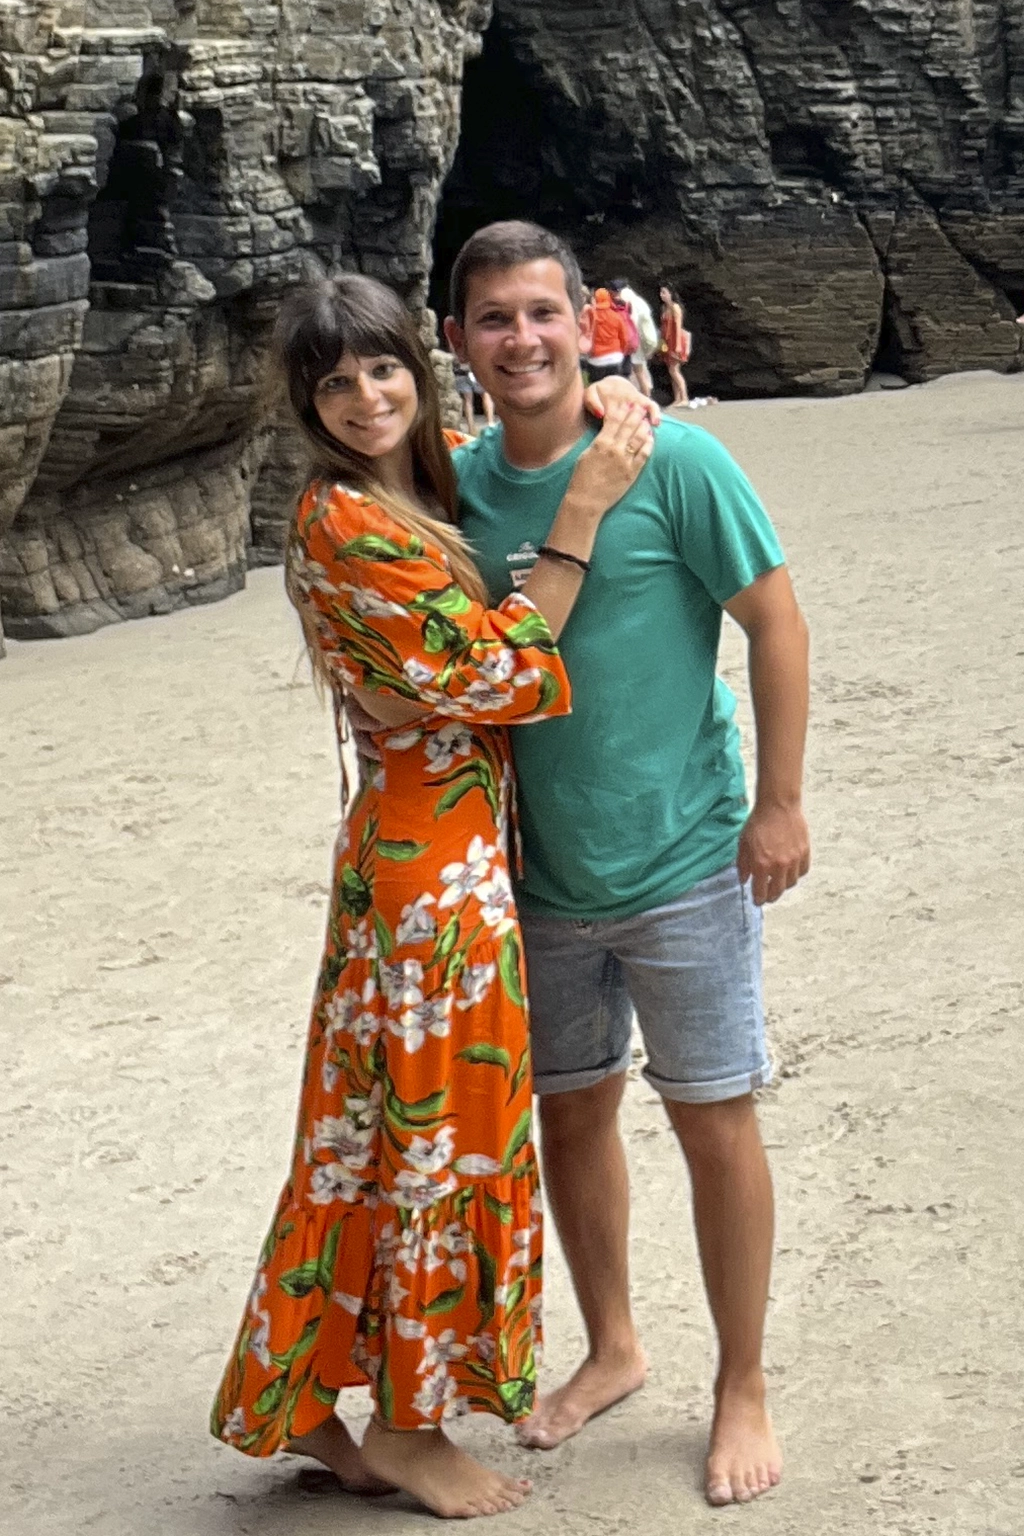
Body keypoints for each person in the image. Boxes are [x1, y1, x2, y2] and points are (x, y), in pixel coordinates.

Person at [209, 272, 653, 1520]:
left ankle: (312, 1403)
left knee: (367, 1137)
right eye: (334, 382)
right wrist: (582, 509)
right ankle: (407, 1426)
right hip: (427, 881)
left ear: (422, 363)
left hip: (427, 853)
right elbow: (502, 675)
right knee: (435, 1140)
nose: (365, 398)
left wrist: (608, 388)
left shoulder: (421, 485)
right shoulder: (346, 521)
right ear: (304, 400)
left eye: (383, 369)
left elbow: (536, 402)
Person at [443, 221, 810, 1507]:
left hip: (686, 858)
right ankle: (611, 1345)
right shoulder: (454, 489)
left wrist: (778, 805)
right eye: (495, 318)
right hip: (535, 876)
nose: (522, 338)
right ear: (459, 342)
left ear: (582, 324)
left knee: (712, 1116)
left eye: (543, 313)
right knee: (574, 1108)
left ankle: (741, 1384)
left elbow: (772, 619)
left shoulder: (677, 458)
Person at [608, 277, 657, 397]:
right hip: (644, 340)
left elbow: (631, 323)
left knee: (638, 372)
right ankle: (646, 398)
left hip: (635, 341)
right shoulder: (639, 301)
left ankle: (647, 399)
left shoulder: (629, 303)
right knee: (639, 372)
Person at [585, 286, 634, 382]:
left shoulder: (590, 316)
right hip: (615, 357)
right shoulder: (616, 316)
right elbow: (624, 337)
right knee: (614, 387)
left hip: (596, 358)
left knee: (596, 388)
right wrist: (622, 351)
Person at [658, 284, 691, 406]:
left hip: (676, 340)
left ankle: (684, 397)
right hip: (667, 341)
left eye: (664, 293)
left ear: (671, 294)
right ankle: (677, 398)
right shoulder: (664, 308)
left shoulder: (675, 308)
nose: (662, 295)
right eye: (661, 293)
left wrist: (677, 346)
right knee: (671, 370)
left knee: (674, 369)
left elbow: (678, 327)